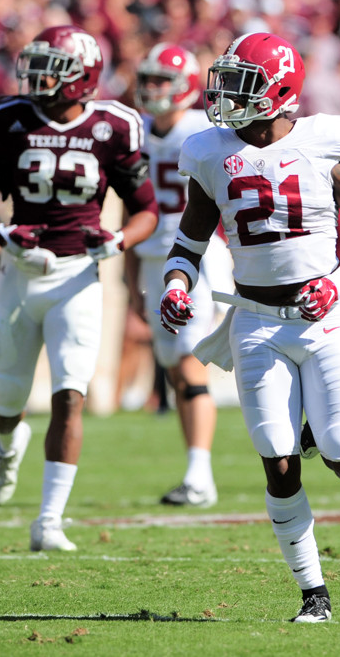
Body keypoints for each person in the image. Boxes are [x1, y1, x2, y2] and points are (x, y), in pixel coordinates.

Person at [160, 33, 340, 623]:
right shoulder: (210, 152)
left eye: (242, 83)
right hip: (255, 322)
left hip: (322, 319)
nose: (226, 95)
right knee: (277, 461)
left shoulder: (324, 141)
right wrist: (176, 284)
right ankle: (314, 594)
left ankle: (320, 432)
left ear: (279, 89)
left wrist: (337, 281)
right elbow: (188, 239)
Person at [0, 26, 157, 552]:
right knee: (6, 400)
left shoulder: (114, 126)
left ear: (82, 77)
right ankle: (7, 444)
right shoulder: (9, 120)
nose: (37, 78)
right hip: (19, 273)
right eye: (36, 66)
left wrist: (115, 241)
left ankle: (49, 521)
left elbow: (147, 211)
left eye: (51, 68)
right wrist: (3, 233)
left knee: (71, 394)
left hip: (78, 277)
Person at [131, 42, 230, 507]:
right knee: (173, 365)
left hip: (196, 256)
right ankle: (195, 471)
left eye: (161, 81)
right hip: (155, 256)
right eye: (147, 80)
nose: (152, 90)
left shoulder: (202, 128)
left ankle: (200, 476)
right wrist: (130, 276)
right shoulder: (137, 131)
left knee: (190, 362)